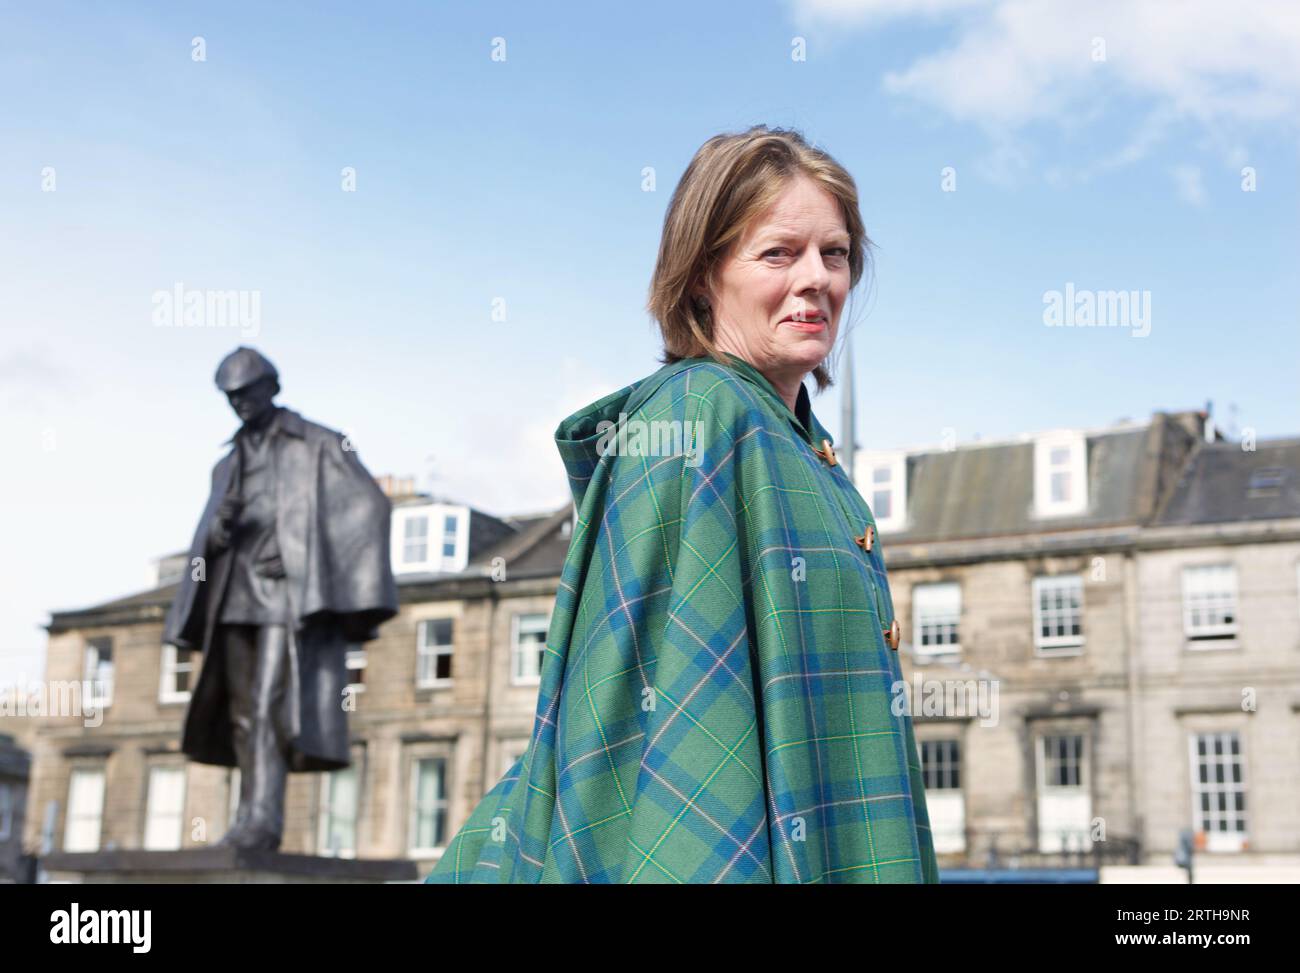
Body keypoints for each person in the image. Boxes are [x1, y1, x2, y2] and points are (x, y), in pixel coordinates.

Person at [426, 126, 938, 883]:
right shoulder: (699, 416)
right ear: (703, 275)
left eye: (835, 253)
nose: (817, 278)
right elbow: (651, 735)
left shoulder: (803, 447)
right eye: (778, 252)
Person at [163, 347, 398, 851]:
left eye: (246, 392)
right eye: (230, 397)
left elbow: (369, 509)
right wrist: (218, 533)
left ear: (271, 386)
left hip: (286, 597)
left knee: (272, 702)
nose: (239, 404)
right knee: (243, 713)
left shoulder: (318, 443)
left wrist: (304, 558)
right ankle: (249, 815)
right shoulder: (227, 462)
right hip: (233, 592)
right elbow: (207, 534)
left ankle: (263, 822)